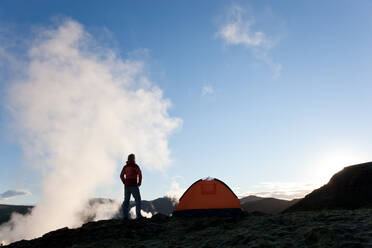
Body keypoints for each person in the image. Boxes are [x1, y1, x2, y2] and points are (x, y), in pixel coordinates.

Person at [120, 153, 143, 220]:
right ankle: (138, 216)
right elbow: (140, 174)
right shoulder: (135, 166)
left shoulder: (125, 167)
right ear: (133, 158)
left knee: (126, 200)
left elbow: (121, 175)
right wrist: (139, 182)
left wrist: (124, 182)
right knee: (138, 200)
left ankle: (125, 216)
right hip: (133, 185)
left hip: (127, 185)